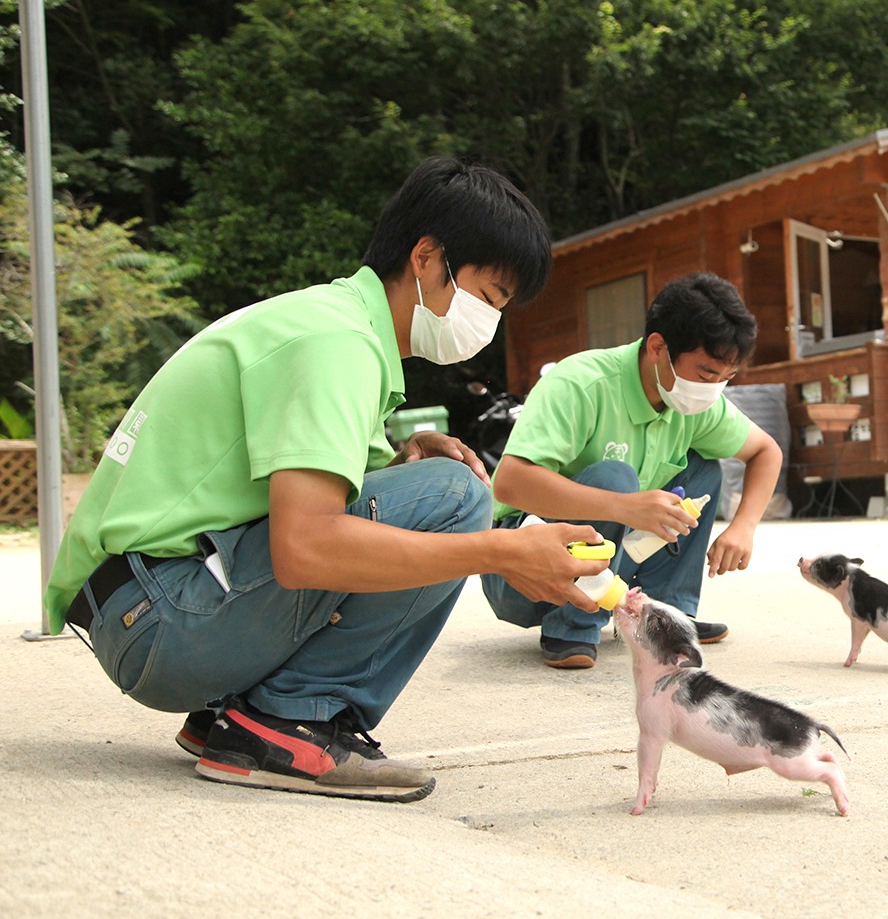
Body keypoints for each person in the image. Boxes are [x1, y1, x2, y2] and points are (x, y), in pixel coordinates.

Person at [45, 157, 607, 802]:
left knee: (436, 485)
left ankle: (230, 719)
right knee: (458, 497)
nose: (489, 323)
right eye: (487, 298)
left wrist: (395, 467)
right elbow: (305, 548)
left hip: (143, 609)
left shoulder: (330, 324)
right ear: (427, 257)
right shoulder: (337, 343)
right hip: (160, 623)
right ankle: (286, 722)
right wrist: (503, 550)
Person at [481, 272, 783, 668]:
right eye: (707, 374)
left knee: (702, 472)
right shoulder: (582, 383)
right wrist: (623, 506)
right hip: (522, 571)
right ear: (658, 346)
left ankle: (663, 616)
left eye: (726, 379)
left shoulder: (698, 405)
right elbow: (511, 484)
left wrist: (744, 525)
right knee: (615, 478)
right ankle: (571, 628)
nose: (713, 390)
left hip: (610, 563)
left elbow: (765, 451)